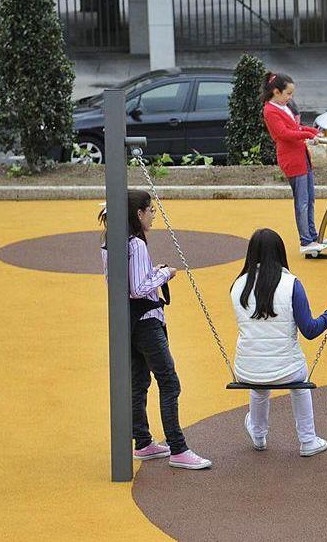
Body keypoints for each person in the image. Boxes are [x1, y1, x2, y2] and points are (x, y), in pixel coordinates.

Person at [99, 191, 211, 470]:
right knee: (169, 381)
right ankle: (178, 447)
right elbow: (138, 288)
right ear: (138, 213)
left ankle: (144, 441)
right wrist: (165, 274)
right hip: (146, 321)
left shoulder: (110, 243)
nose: (153, 215)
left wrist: (153, 271)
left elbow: (127, 283)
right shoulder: (135, 244)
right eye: (150, 210)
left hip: (128, 321)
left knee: (139, 381)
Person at [230, 229, 327, 456]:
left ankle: (258, 435)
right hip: (288, 371)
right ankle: (307, 440)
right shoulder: (291, 284)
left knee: (260, 385)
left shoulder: (237, 287)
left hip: (247, 370)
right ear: (280, 253)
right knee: (300, 382)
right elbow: (310, 330)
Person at [262, 72, 327, 256]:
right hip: (292, 159)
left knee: (309, 199)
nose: (290, 97)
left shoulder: (282, 107)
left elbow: (295, 128)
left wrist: (312, 131)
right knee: (302, 201)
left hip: (301, 156)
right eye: (288, 94)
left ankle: (313, 236)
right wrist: (309, 135)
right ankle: (306, 240)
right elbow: (283, 134)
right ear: (276, 92)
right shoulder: (270, 110)